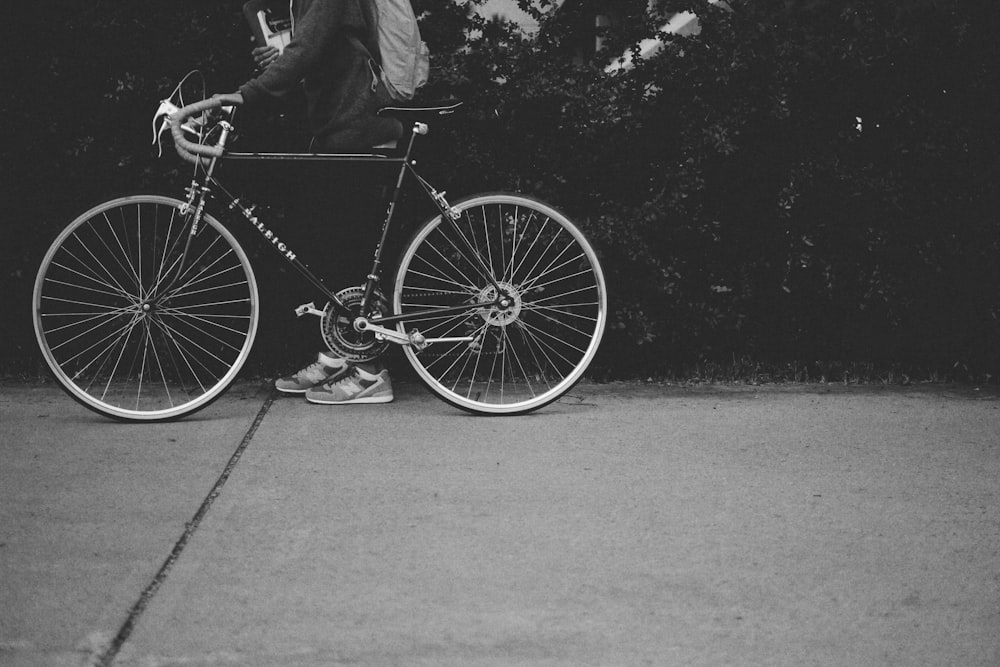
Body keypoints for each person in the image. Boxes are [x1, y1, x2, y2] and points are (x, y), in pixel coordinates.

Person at [213, 0, 401, 405]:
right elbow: (315, 50)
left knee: (350, 249)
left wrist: (247, 94)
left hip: (359, 129)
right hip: (340, 130)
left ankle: (371, 374)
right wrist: (281, 56)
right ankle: (339, 356)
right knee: (333, 247)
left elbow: (308, 50)